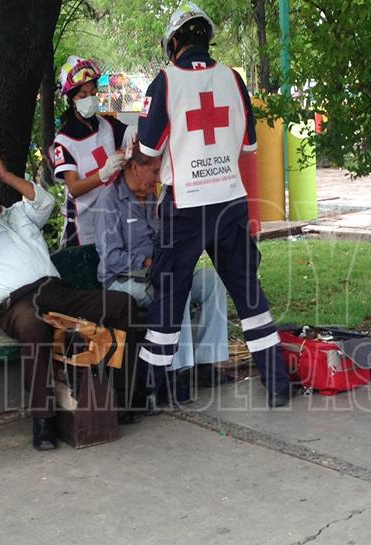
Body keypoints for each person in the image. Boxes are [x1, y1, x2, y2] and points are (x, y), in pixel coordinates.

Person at [136, 2, 291, 407]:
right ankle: (278, 384)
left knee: (169, 299)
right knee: (249, 296)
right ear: (206, 37)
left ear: (173, 43)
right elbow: (249, 145)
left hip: (185, 206)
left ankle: (145, 394)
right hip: (230, 202)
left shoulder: (165, 81)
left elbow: (148, 149)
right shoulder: (233, 80)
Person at [0, 143, 146, 451]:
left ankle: (124, 397)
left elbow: (45, 202)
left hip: (56, 290)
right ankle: (43, 420)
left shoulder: (18, 213)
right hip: (19, 303)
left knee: (123, 305)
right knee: (34, 329)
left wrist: (4, 175)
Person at [93, 143, 232, 403]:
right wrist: (147, 262)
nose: (158, 179)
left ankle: (206, 362)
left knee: (213, 281)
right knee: (175, 288)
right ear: (136, 167)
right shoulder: (109, 202)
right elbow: (111, 259)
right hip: (123, 281)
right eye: (155, 172)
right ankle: (177, 371)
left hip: (159, 272)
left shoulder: (152, 198)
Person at [51, 56, 129, 247]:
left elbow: (132, 136)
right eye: (83, 95)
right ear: (71, 99)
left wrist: (135, 134)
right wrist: (104, 173)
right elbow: (74, 188)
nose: (90, 99)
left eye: (93, 93)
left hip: (113, 214)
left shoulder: (107, 124)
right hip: (83, 226)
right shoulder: (64, 140)